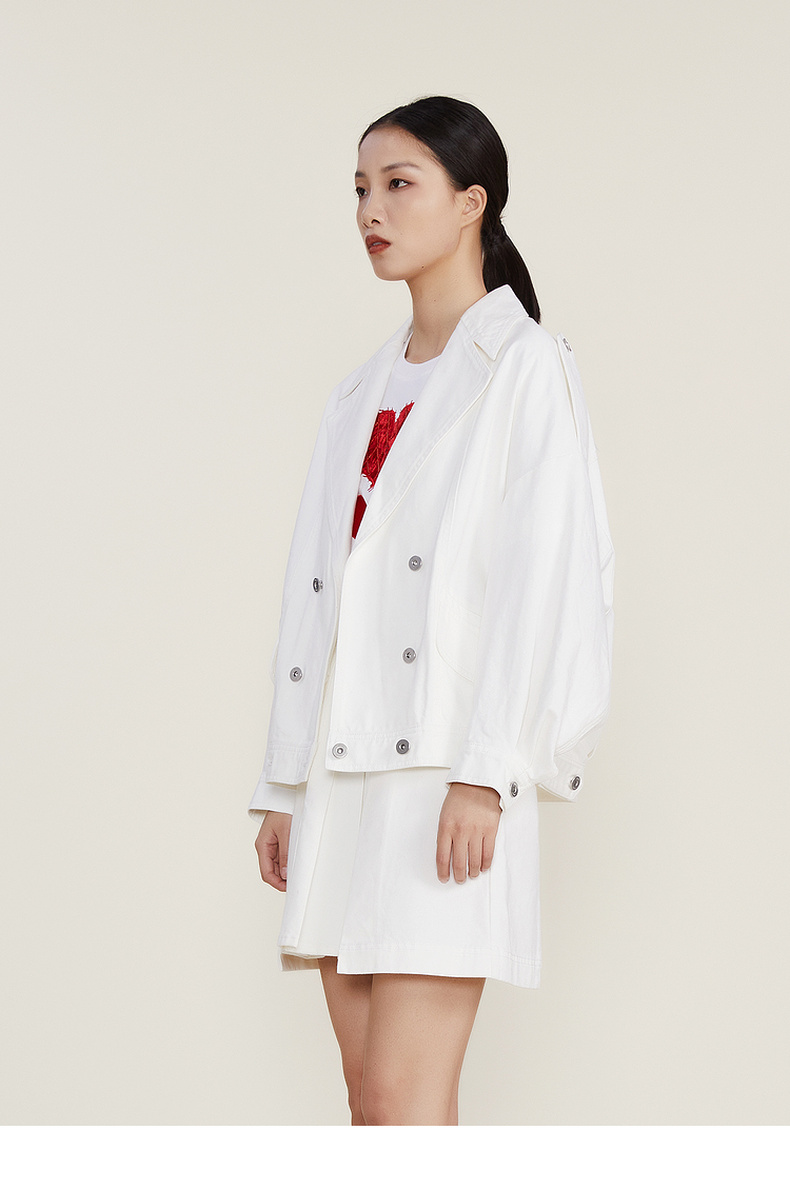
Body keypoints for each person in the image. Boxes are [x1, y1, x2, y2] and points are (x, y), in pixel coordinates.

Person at [250, 95, 614, 1126]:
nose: (371, 209)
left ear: (471, 202)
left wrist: (486, 772)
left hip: (444, 772)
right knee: (371, 1108)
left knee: (402, 1098)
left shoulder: (524, 367)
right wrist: (283, 779)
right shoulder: (357, 392)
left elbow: (545, 581)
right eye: (360, 189)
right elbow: (314, 594)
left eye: (399, 184)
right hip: (341, 775)